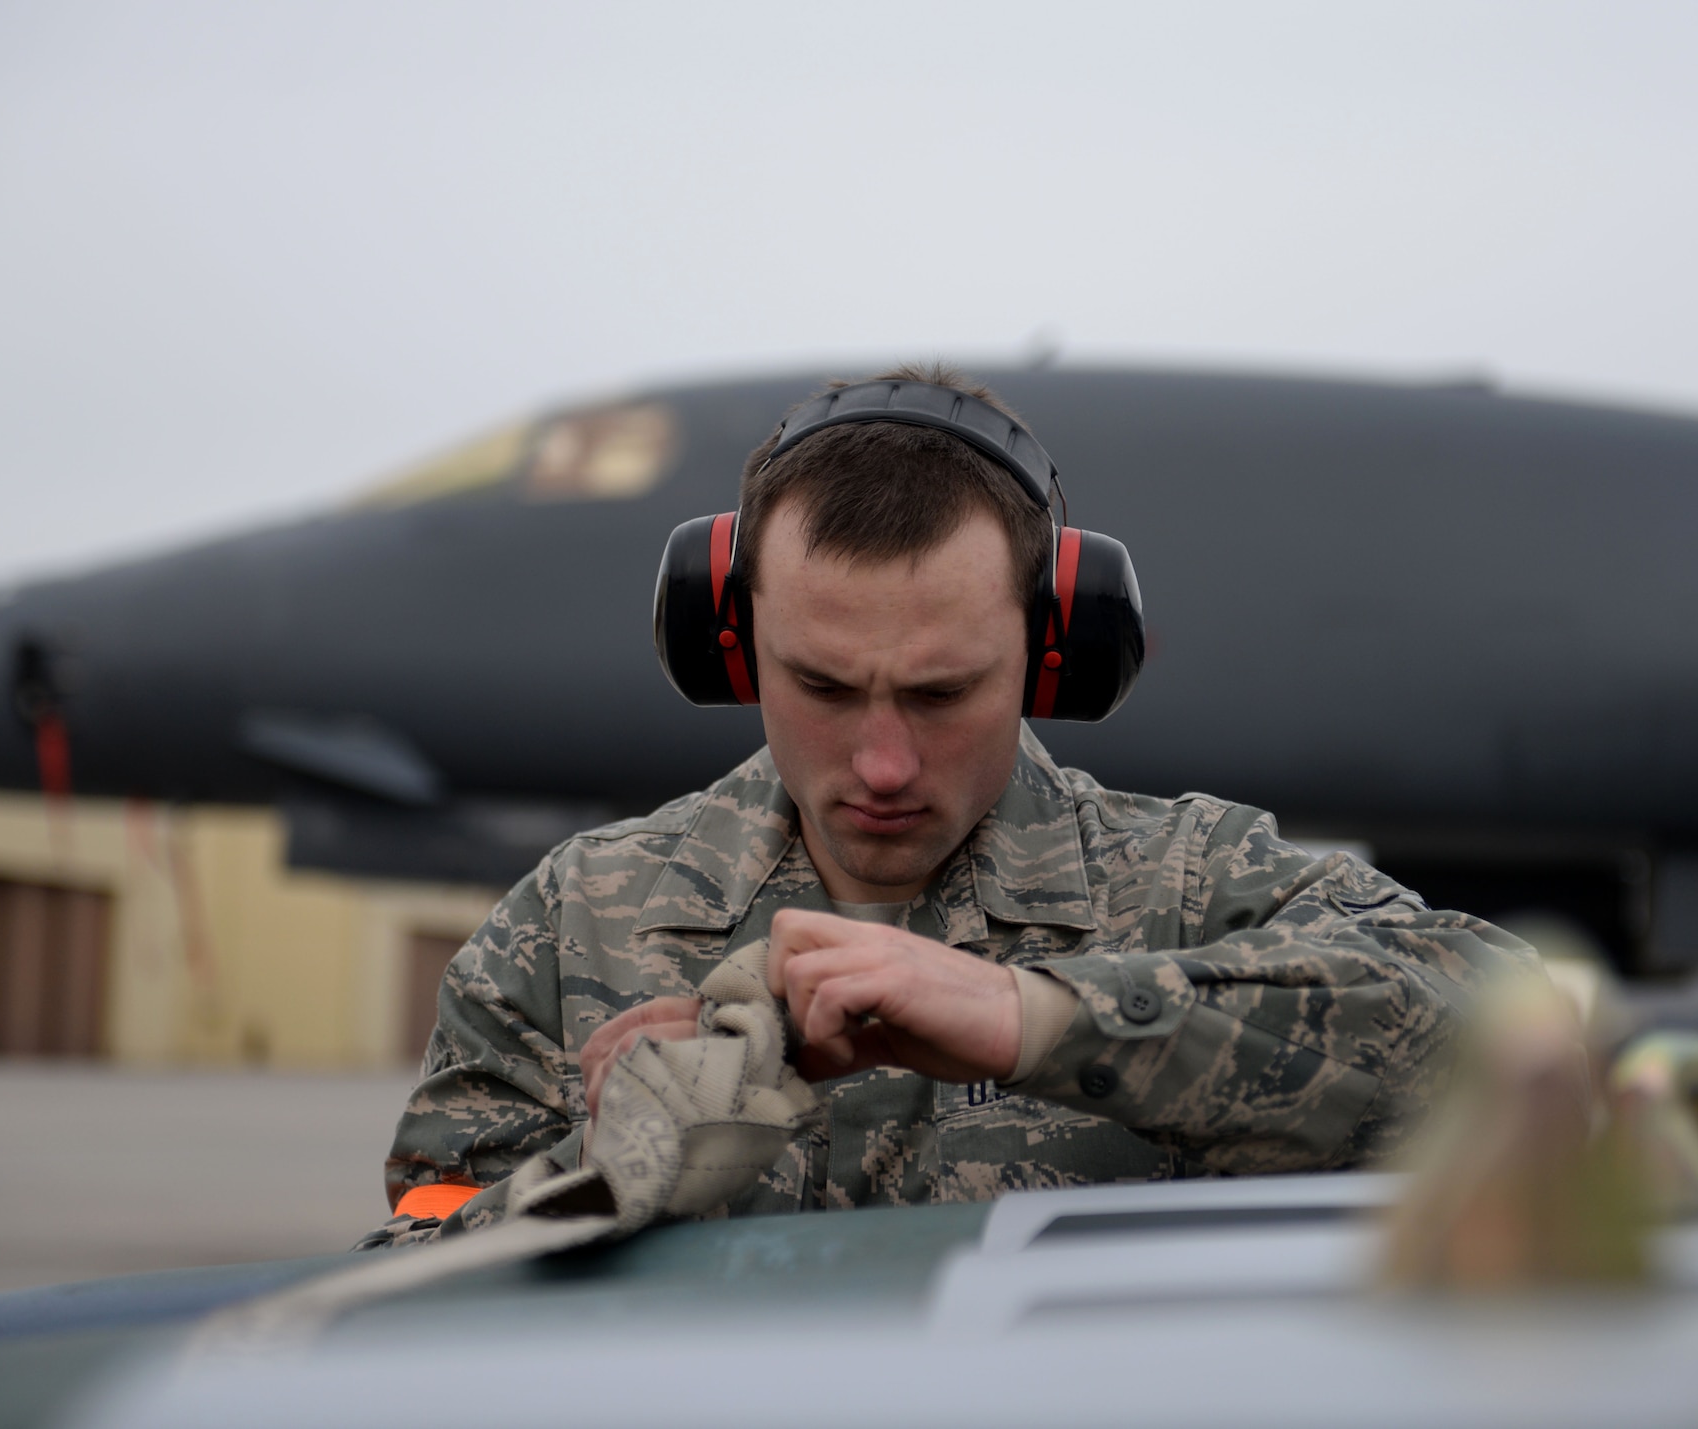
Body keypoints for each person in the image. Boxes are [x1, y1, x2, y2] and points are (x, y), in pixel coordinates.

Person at [356, 363, 1536, 1249]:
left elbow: (1521, 1044)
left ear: (1052, 650)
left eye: (940, 692)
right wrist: (608, 1170)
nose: (879, 763)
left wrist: (1039, 1017)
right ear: (733, 642)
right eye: (820, 685)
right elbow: (403, 1284)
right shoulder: (571, 926)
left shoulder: (1190, 888)